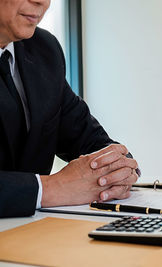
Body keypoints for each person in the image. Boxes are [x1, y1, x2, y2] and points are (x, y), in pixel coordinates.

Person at [0, 0, 139, 218]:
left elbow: (89, 138)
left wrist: (118, 168)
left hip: (36, 235)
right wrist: (52, 188)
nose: (42, 2)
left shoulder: (44, 49)